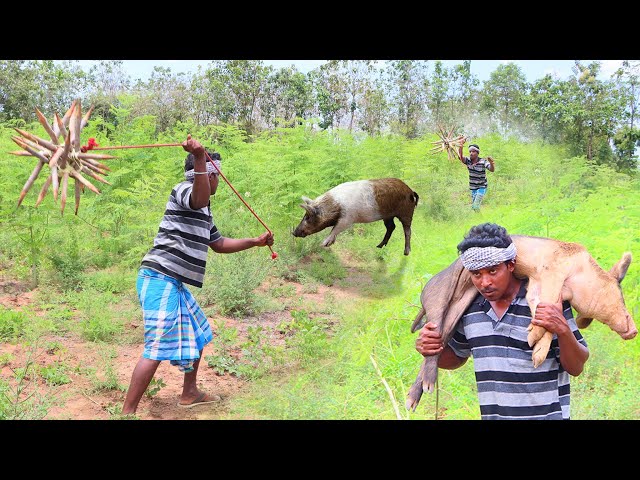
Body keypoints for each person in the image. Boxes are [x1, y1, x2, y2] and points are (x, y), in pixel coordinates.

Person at [121, 135, 274, 415]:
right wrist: (202, 158)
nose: (217, 183)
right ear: (208, 174)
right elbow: (199, 195)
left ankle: (189, 393)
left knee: (198, 332)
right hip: (159, 278)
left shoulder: (204, 209)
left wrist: (255, 241)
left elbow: (217, 244)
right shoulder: (182, 190)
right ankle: (127, 413)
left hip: (173, 283)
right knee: (155, 349)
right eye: (216, 176)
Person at [415, 222, 589, 420]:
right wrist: (431, 348)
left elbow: (576, 367)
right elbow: (455, 358)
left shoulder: (545, 301)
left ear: (511, 265)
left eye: (493, 271)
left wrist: (563, 329)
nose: (485, 282)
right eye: (476, 274)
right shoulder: (471, 308)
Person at [458, 142, 495, 211]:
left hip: (482, 186)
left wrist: (491, 163)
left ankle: (481, 219)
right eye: (470, 151)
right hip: (473, 187)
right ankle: (480, 219)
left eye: (473, 151)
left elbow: (491, 169)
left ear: (477, 153)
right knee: (475, 208)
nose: (471, 153)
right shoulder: (468, 161)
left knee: (475, 205)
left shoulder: (483, 161)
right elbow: (460, 157)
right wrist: (461, 147)